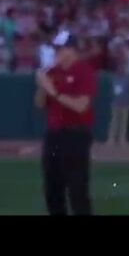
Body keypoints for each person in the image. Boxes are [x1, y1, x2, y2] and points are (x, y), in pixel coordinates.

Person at [35, 31, 98, 215]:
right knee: (52, 189)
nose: (60, 53)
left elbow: (81, 106)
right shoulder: (53, 72)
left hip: (76, 134)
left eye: (63, 49)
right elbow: (40, 104)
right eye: (58, 49)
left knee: (77, 189)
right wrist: (42, 85)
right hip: (54, 134)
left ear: (73, 50)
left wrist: (52, 91)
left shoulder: (84, 71)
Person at [107, 60, 129, 145]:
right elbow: (115, 89)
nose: (121, 69)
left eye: (123, 68)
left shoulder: (128, 78)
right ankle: (111, 139)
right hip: (116, 103)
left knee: (124, 122)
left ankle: (122, 139)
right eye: (120, 68)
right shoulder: (114, 78)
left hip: (125, 103)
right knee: (114, 121)